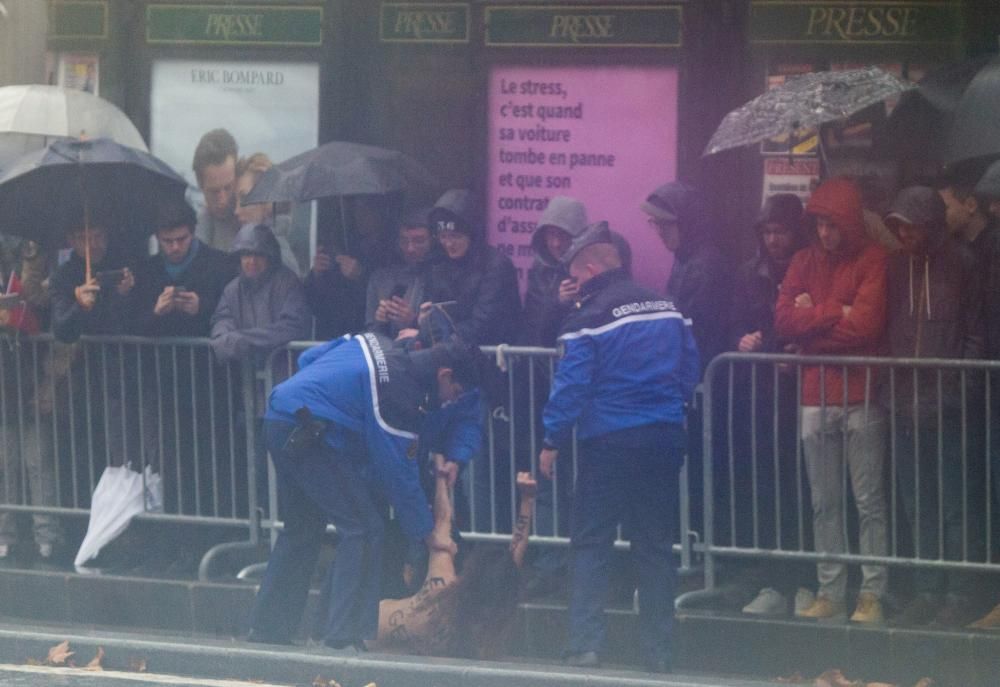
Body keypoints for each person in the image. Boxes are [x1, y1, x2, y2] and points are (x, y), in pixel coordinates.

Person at [247, 333, 478, 650]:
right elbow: (399, 474)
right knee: (363, 527)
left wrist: (325, 397)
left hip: (281, 415)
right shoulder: (399, 394)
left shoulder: (376, 341)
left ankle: (268, 628)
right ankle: (344, 634)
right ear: (445, 375)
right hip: (311, 433)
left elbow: (308, 360)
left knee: (301, 528)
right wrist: (427, 533)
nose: (452, 399)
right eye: (456, 391)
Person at [538, 222, 699, 673]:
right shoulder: (668, 307)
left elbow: (571, 387)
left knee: (591, 541)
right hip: (665, 435)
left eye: (575, 276)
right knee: (655, 545)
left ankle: (586, 645)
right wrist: (672, 406)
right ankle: (658, 653)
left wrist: (551, 439)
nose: (574, 287)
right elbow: (690, 369)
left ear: (591, 268)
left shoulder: (587, 318)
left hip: (608, 440)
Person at [774, 177, 890, 624]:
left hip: (857, 395)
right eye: (820, 224)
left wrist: (811, 323)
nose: (825, 233)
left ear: (851, 223)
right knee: (826, 501)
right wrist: (832, 312)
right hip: (819, 394)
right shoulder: (804, 260)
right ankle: (833, 592)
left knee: (867, 501)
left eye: (834, 224)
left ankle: (870, 594)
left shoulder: (873, 259)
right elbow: (783, 320)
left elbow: (867, 327)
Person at [881, 186, 985, 628]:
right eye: (897, 226)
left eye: (909, 225)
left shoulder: (964, 264)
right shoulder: (897, 265)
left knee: (954, 502)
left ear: (930, 223)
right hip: (905, 401)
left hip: (950, 403)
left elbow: (976, 334)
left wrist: (958, 391)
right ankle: (927, 589)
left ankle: (958, 591)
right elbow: (889, 328)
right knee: (916, 501)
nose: (902, 233)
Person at [729, 194, 815, 617]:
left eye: (780, 230)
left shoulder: (815, 267)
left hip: (805, 390)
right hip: (761, 393)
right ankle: (772, 579)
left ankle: (805, 580)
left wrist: (801, 349)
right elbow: (733, 321)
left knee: (805, 487)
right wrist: (743, 340)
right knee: (767, 486)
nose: (774, 239)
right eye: (767, 231)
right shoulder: (750, 272)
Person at [373, 455, 536, 658]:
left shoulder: (440, 586)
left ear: (471, 570)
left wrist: (441, 475)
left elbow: (443, 520)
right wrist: (527, 501)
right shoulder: (481, 636)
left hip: (375, 625)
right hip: (376, 632)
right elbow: (509, 566)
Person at [0, 238, 64, 564]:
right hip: (5, 387)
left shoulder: (32, 283)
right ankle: (5, 536)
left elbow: (42, 312)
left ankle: (47, 537)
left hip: (30, 380)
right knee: (5, 464)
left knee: (38, 462)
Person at [641, 181, 729, 367]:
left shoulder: (703, 266)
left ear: (688, 223)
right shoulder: (685, 257)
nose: (659, 232)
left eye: (665, 225)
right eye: (655, 223)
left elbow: (696, 327)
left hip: (700, 370)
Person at [423, 189, 521, 347]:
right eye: (443, 236)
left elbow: (483, 324)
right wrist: (421, 321)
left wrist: (429, 335)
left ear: (472, 234)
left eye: (455, 236)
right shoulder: (438, 265)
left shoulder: (496, 266)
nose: (448, 244)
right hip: (453, 354)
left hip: (491, 360)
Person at [209, 223, 311, 371]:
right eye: (246, 255)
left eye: (259, 255)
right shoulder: (232, 289)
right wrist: (224, 337)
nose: (252, 261)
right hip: (247, 378)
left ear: (270, 257)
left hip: (286, 372)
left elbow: (294, 326)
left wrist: (245, 341)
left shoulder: (288, 283)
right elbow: (222, 320)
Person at [133, 199, 237, 338]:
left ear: (193, 233)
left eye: (182, 239)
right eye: (168, 241)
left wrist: (201, 307)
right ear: (157, 237)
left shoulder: (221, 264)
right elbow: (134, 324)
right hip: (161, 356)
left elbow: (234, 313)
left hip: (205, 356)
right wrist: (156, 312)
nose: (175, 247)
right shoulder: (146, 271)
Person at [306, 194, 400, 339]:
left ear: (381, 213)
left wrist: (361, 276)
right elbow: (317, 303)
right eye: (357, 210)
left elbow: (386, 296)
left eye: (366, 210)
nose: (360, 216)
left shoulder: (393, 251)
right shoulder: (345, 244)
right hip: (335, 331)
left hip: (369, 333)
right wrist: (317, 275)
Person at [365, 208, 435, 339]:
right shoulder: (380, 278)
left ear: (433, 240)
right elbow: (371, 336)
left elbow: (448, 335)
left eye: (419, 241)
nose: (410, 248)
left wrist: (413, 321)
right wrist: (381, 322)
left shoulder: (444, 278)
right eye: (404, 241)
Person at [232, 152, 302, 275]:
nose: (236, 211)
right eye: (235, 201)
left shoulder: (278, 255)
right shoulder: (254, 247)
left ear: (267, 198)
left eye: (244, 198)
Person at [193, 128, 241, 252]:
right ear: (200, 185)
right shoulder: (192, 232)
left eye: (228, 187)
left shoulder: (259, 216)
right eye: (214, 192)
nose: (223, 200)